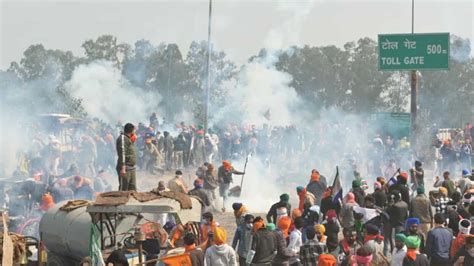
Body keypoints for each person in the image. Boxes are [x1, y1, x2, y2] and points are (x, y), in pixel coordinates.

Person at [116, 123, 137, 191]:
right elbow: (122, 153)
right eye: (134, 130)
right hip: (125, 167)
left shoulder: (128, 138)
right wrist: (123, 167)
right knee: (124, 189)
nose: (135, 132)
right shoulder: (122, 138)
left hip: (131, 167)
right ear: (131, 130)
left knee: (132, 188)